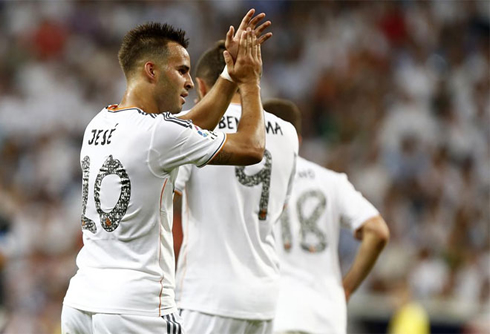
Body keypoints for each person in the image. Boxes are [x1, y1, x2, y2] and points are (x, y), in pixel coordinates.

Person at [61, 9, 272, 334]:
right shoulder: (157, 135)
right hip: (137, 307)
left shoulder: (100, 122)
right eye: (181, 70)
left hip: (81, 301)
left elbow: (189, 127)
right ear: (151, 70)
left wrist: (228, 75)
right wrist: (250, 80)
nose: (189, 82)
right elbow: (251, 147)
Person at [173, 41, 298, 334]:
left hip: (207, 297)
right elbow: (279, 207)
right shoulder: (288, 133)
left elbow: (164, 198)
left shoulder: (191, 129)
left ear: (202, 87)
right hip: (264, 297)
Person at [263, 98, 390, 334]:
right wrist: (346, 289)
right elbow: (378, 231)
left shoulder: (248, 179)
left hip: (278, 309)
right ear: (298, 141)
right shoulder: (331, 181)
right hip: (326, 314)